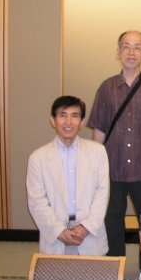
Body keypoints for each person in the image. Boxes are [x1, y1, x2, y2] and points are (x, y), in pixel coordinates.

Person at [88, 30, 141, 257]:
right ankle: (114, 267)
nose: (131, 52)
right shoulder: (106, 87)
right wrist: (94, 164)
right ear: (118, 51)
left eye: (137, 47)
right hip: (111, 167)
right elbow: (99, 128)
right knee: (111, 220)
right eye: (126, 46)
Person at [26, 96, 109, 255]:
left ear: (82, 122)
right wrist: (58, 231)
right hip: (55, 236)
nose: (68, 122)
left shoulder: (98, 152)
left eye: (74, 116)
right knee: (57, 272)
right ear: (53, 120)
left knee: (91, 272)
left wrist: (86, 227)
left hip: (90, 235)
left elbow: (102, 194)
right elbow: (36, 200)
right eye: (62, 115)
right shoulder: (38, 158)